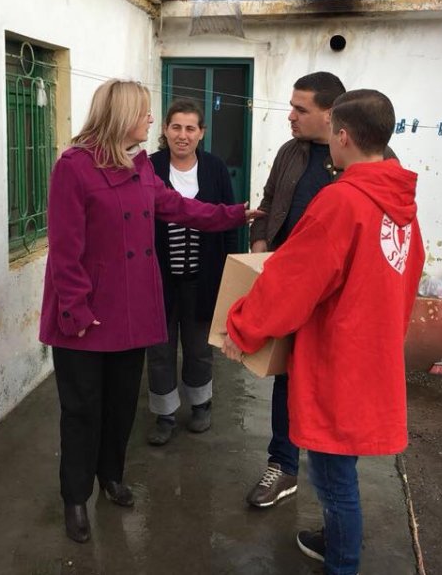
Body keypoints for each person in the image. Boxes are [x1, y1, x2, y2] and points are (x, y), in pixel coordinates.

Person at [39, 79, 260, 544]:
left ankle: (111, 478)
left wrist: (233, 215)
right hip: (85, 318)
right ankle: (75, 497)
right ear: (122, 117)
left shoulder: (140, 166)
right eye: (144, 114)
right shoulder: (74, 167)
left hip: (132, 311)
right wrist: (76, 310)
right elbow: (64, 248)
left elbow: (175, 206)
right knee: (82, 411)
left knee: (120, 406)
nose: (150, 123)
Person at [222, 89, 424, 575]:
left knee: (334, 479)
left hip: (340, 357)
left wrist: (243, 327)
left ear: (344, 136)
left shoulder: (343, 201)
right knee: (341, 467)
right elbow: (410, 271)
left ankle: (343, 564)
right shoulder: (401, 204)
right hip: (372, 352)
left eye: (333, 130)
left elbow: (292, 282)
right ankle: (333, 539)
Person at [244, 71, 347, 508]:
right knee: (285, 376)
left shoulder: (360, 156)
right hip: (288, 287)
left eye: (300, 109)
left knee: (328, 386)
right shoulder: (291, 151)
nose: (290, 116)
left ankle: (335, 489)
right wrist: (261, 243)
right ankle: (282, 467)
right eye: (291, 106)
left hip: (334, 298)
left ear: (330, 114)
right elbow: (269, 201)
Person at [145, 99, 238, 445]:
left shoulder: (215, 169)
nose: (182, 135)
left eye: (190, 128)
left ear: (201, 133)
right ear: (165, 130)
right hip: (158, 279)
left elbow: (229, 220)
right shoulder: (149, 168)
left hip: (204, 278)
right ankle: (164, 413)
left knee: (199, 347)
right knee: (160, 349)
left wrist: (230, 274)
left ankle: (201, 405)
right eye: (175, 127)